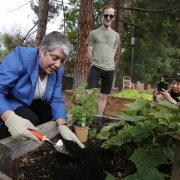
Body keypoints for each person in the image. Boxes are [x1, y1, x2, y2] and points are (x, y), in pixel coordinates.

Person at [0, 31, 84, 148]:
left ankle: (28, 138)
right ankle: (5, 143)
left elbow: (56, 99)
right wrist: (11, 119)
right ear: (41, 50)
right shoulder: (21, 57)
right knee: (30, 118)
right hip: (8, 102)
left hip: (29, 104)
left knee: (49, 112)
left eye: (62, 61)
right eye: (55, 58)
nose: (58, 65)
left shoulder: (58, 71)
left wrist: (63, 125)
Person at [86, 4, 120, 115]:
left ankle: (99, 117)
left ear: (114, 17)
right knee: (89, 93)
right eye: (106, 15)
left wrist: (108, 64)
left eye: (111, 16)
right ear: (102, 16)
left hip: (109, 69)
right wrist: (96, 63)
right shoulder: (94, 33)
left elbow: (113, 53)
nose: (108, 18)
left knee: (104, 95)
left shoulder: (116, 35)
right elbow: (89, 53)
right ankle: (86, 118)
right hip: (95, 68)